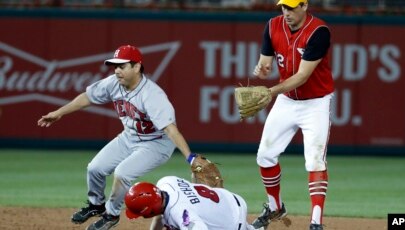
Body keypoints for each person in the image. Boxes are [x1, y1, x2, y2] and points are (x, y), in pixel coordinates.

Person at [37, 45, 200, 230]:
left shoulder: (152, 95)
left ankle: (111, 215)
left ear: (137, 67)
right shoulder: (114, 82)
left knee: (122, 173)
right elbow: (87, 97)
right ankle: (96, 205)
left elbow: (171, 130)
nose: (117, 70)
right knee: (95, 168)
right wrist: (59, 112)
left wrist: (190, 157)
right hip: (128, 138)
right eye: (115, 66)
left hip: (156, 144)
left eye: (122, 66)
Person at [250, 0, 334, 230]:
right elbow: (265, 61)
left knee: (315, 160)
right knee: (265, 156)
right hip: (287, 101)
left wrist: (270, 91)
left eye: (291, 7)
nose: (286, 12)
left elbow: (302, 76)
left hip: (316, 102)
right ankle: (275, 206)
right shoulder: (272, 25)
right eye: (283, 7)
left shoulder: (319, 32)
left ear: (304, 6)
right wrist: (262, 68)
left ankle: (316, 221)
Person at [124, 175, 262, 230]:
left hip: (233, 224)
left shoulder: (180, 214)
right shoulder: (165, 181)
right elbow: (159, 214)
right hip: (229, 198)